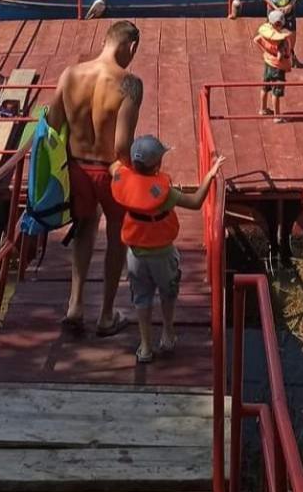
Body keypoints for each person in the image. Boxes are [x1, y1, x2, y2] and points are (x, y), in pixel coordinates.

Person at [47, 19, 143, 337]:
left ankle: (75, 305)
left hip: (76, 167)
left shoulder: (70, 74)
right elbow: (121, 145)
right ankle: (105, 315)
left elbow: (52, 122)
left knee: (85, 228)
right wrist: (137, 180)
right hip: (109, 171)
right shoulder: (129, 84)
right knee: (116, 236)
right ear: (131, 46)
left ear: (105, 41)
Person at [110, 135, 225, 364]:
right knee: (168, 292)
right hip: (162, 254)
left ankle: (145, 346)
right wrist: (210, 176)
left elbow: (114, 165)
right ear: (158, 165)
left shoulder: (121, 177)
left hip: (135, 254)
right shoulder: (167, 194)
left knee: (141, 298)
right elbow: (195, 202)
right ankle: (168, 333)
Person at [253, 9, 294, 122]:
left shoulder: (266, 34)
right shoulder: (281, 40)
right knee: (276, 91)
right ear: (280, 23)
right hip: (278, 68)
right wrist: (284, 55)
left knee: (265, 87)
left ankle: (263, 109)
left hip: (268, 63)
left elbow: (256, 40)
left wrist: (265, 51)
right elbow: (280, 56)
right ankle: (277, 116)